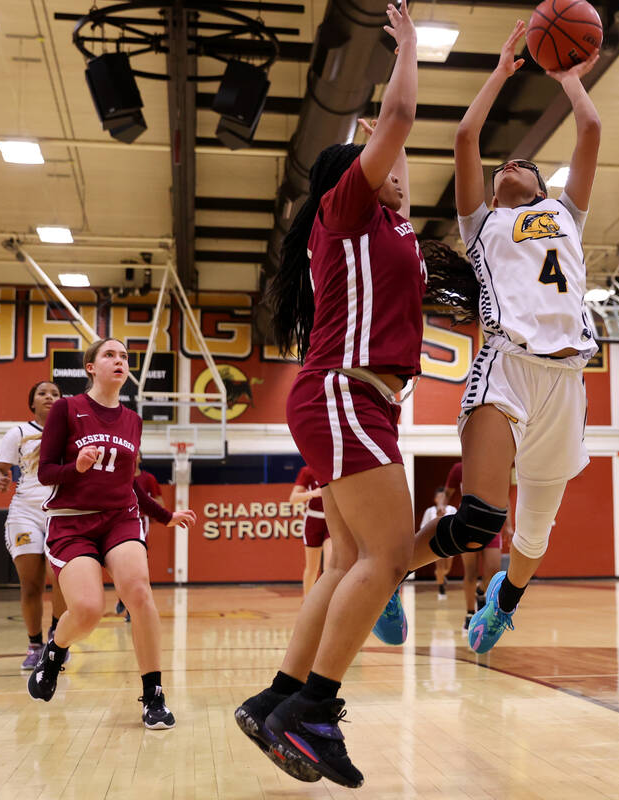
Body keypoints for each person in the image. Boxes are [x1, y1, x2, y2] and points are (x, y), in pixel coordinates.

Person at [232, 5, 426, 786]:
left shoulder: (393, 233)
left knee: (348, 558)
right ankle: (312, 711)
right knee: (386, 556)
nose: (400, 167)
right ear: (350, 178)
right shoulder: (345, 215)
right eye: (384, 160)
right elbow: (402, 115)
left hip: (350, 398)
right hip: (345, 394)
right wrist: (407, 46)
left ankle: (277, 697)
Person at [387, 20, 601, 657]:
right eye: (503, 164)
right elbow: (465, 136)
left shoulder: (566, 214)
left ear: (542, 188)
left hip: (567, 382)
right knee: (481, 518)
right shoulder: (483, 224)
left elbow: (589, 130)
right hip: (505, 368)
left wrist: (568, 78)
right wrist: (502, 71)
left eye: (525, 165)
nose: (510, 165)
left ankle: (505, 604)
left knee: (533, 535)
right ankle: (388, 577)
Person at [29, 337, 197, 729]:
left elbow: (130, 484)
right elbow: (46, 472)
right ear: (91, 367)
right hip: (72, 521)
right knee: (88, 611)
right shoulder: (67, 409)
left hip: (120, 518)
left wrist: (164, 514)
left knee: (138, 591)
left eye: (124, 356)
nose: (119, 360)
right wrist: (77, 469)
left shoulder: (132, 419)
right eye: (110, 355)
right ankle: (54, 651)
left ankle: (154, 695)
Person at [0, 380, 69, 669]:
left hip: (61, 511)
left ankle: (56, 637)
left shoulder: (72, 432)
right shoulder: (18, 433)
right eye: (43, 393)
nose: (49, 397)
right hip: (26, 512)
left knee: (62, 578)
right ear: (32, 402)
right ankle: (34, 644)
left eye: (55, 393)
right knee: (31, 583)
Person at [444, 459, 504, 628]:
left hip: (492, 522)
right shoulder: (459, 468)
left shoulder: (495, 465)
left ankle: (480, 591)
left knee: (494, 570)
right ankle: (470, 613)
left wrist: (509, 526)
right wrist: (441, 507)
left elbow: (504, 496)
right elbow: (446, 494)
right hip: (467, 523)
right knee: (470, 571)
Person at [116, 454, 164, 622]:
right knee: (120, 561)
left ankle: (131, 607)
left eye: (137, 454)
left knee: (137, 563)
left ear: (140, 459)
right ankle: (122, 597)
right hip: (120, 520)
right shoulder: (118, 476)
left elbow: (160, 502)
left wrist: (153, 510)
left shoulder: (148, 478)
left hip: (140, 521)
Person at [292, 463, 331, 598]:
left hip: (332, 521)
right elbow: (293, 499)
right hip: (313, 520)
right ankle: (306, 601)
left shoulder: (335, 469)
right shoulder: (307, 471)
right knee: (312, 568)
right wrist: (313, 493)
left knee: (330, 566)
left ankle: (326, 603)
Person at [420, 488, 456, 598]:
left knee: (447, 569)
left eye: (443, 497)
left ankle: (441, 576)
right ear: (435, 499)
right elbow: (423, 527)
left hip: (450, 543)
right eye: (439, 497)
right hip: (436, 542)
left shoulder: (452, 509)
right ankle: (441, 589)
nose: (441, 499)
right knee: (439, 566)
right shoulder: (429, 511)